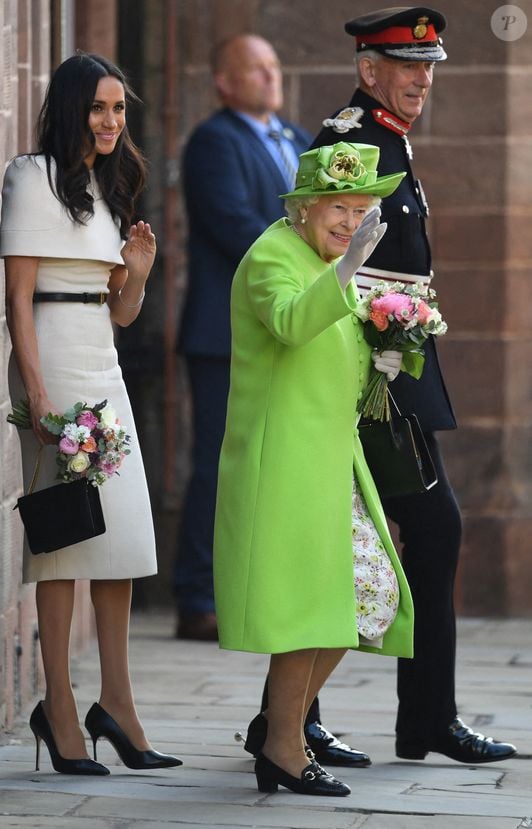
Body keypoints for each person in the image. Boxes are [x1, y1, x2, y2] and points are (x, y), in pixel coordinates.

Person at [246, 6, 517, 766]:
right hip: (368, 372)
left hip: (396, 364)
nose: (422, 79)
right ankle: (385, 719)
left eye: (429, 66)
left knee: (407, 535)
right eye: (408, 66)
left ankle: (320, 719)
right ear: (370, 71)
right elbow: (325, 255)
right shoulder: (349, 140)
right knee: (415, 532)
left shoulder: (386, 138)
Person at [0, 53, 182, 775]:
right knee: (63, 540)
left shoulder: (112, 189)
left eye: (120, 110)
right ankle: (61, 708)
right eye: (100, 108)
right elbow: (18, 299)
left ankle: (120, 704)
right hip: (52, 363)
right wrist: (36, 393)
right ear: (73, 107)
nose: (111, 122)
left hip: (102, 364)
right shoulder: (31, 177)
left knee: (125, 539)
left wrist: (135, 272)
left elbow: (121, 313)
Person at [214, 140, 413, 797]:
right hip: (285, 465)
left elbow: (345, 355)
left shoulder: (328, 258)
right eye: (337, 207)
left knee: (369, 598)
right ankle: (283, 744)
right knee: (311, 606)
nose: (348, 222)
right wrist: (348, 273)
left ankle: (280, 728)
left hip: (331, 460)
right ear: (301, 208)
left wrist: (393, 347)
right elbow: (292, 323)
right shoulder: (274, 253)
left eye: (360, 211)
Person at [174, 34, 312, 641]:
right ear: (224, 83)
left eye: (274, 65)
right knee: (217, 465)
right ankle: (197, 596)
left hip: (286, 331)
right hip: (223, 334)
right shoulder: (213, 141)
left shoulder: (301, 141)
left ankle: (257, 591)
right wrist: (311, 269)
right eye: (254, 68)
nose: (268, 75)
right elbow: (234, 224)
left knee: (273, 466)